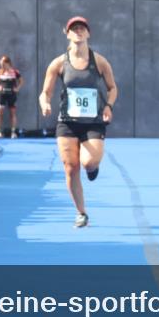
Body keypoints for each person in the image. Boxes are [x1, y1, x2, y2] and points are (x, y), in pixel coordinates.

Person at [39, 16, 117, 228]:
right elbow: (45, 92)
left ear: (88, 33)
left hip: (93, 121)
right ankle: (81, 212)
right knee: (70, 167)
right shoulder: (58, 63)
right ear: (67, 33)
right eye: (74, 29)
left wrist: (109, 106)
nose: (78, 32)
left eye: (82, 28)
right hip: (67, 121)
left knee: (88, 162)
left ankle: (93, 169)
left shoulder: (99, 61)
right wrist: (45, 103)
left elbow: (112, 88)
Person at [0, 55, 22, 138]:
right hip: (2, 95)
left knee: (12, 113)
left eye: (3, 64)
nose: (2, 66)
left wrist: (17, 88)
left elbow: (21, 81)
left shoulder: (15, 72)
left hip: (11, 94)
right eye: (1, 64)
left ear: (8, 63)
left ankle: (13, 132)